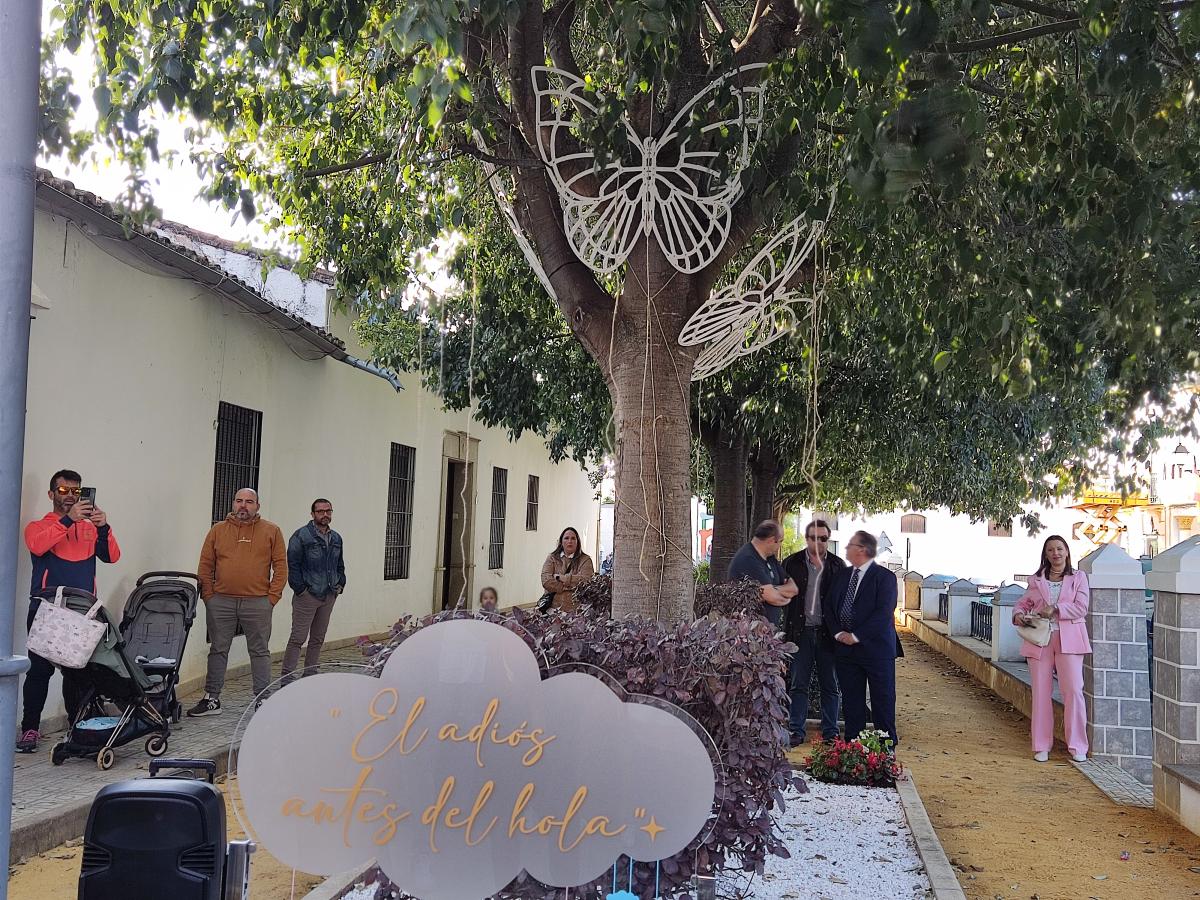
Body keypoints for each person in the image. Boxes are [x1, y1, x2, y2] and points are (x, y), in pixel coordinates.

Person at [17, 470, 120, 753]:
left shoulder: (88, 527)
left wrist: (103, 527)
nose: (71, 496)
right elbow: (37, 545)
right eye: (63, 491)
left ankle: (80, 729)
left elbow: (112, 556)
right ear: (51, 495)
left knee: (79, 675)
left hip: (82, 613)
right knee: (39, 672)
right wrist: (67, 520)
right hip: (46, 610)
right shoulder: (39, 526)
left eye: (76, 491)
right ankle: (30, 730)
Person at [189, 488, 287, 716]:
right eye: (239, 501)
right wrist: (209, 596)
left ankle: (263, 699)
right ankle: (211, 699)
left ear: (257, 506)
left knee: (260, 650)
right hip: (221, 601)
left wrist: (272, 597)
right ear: (233, 503)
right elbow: (205, 565)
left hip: (258, 602)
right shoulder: (218, 530)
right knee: (218, 649)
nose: (243, 505)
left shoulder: (272, 531)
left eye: (249, 502)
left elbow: (281, 566)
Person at [1012, 535, 1091, 762]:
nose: (1055, 553)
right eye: (1050, 550)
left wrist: (1056, 609)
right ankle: (1041, 745)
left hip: (1071, 639)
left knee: (1074, 690)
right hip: (1040, 640)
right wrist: (1018, 615)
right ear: (1045, 555)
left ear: (1066, 551)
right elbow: (1023, 603)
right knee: (1040, 692)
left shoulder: (1078, 578)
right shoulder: (1036, 580)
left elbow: (1081, 608)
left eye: (1059, 549)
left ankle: (1077, 746)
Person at [823, 530, 899, 747]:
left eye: (851, 545)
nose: (847, 548)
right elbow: (829, 607)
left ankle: (885, 751)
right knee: (851, 703)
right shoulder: (842, 576)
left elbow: (883, 614)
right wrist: (838, 633)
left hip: (876, 651)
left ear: (863, 550)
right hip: (846, 651)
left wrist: (856, 636)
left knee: (882, 702)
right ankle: (853, 749)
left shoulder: (885, 578)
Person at [781, 519, 846, 746]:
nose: (818, 542)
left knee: (831, 685)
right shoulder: (791, 563)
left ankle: (830, 733)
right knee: (799, 684)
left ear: (828, 540)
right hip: (800, 633)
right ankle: (796, 731)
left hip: (828, 635)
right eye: (813, 538)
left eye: (823, 538)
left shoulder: (839, 566)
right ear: (806, 539)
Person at [282, 498, 346, 684]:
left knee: (318, 638)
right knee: (297, 638)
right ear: (312, 514)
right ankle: (287, 679)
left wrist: (340, 583)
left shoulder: (336, 538)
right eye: (320, 511)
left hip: (329, 594)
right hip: (307, 596)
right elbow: (292, 566)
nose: (325, 514)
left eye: (328, 511)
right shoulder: (301, 536)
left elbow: (340, 564)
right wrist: (301, 589)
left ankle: (310, 675)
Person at [728, 520, 798, 627]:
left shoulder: (770, 558)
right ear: (771, 541)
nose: (780, 545)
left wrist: (771, 589)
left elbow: (793, 588)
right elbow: (774, 598)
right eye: (781, 541)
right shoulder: (748, 559)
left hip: (769, 633)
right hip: (750, 634)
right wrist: (776, 593)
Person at [540, 527, 595, 612]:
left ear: (577, 542)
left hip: (577, 612)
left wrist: (561, 578)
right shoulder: (552, 558)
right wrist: (571, 586)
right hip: (553, 610)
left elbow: (586, 581)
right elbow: (546, 581)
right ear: (561, 542)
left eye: (573, 538)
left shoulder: (585, 560)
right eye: (566, 538)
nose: (570, 541)